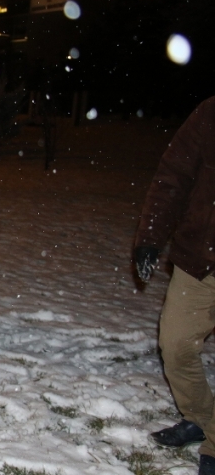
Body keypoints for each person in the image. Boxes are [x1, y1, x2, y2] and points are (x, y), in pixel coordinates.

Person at [134, 96, 215, 475]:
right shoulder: (211, 112)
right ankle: (201, 418)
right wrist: (151, 236)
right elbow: (174, 176)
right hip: (200, 256)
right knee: (176, 344)